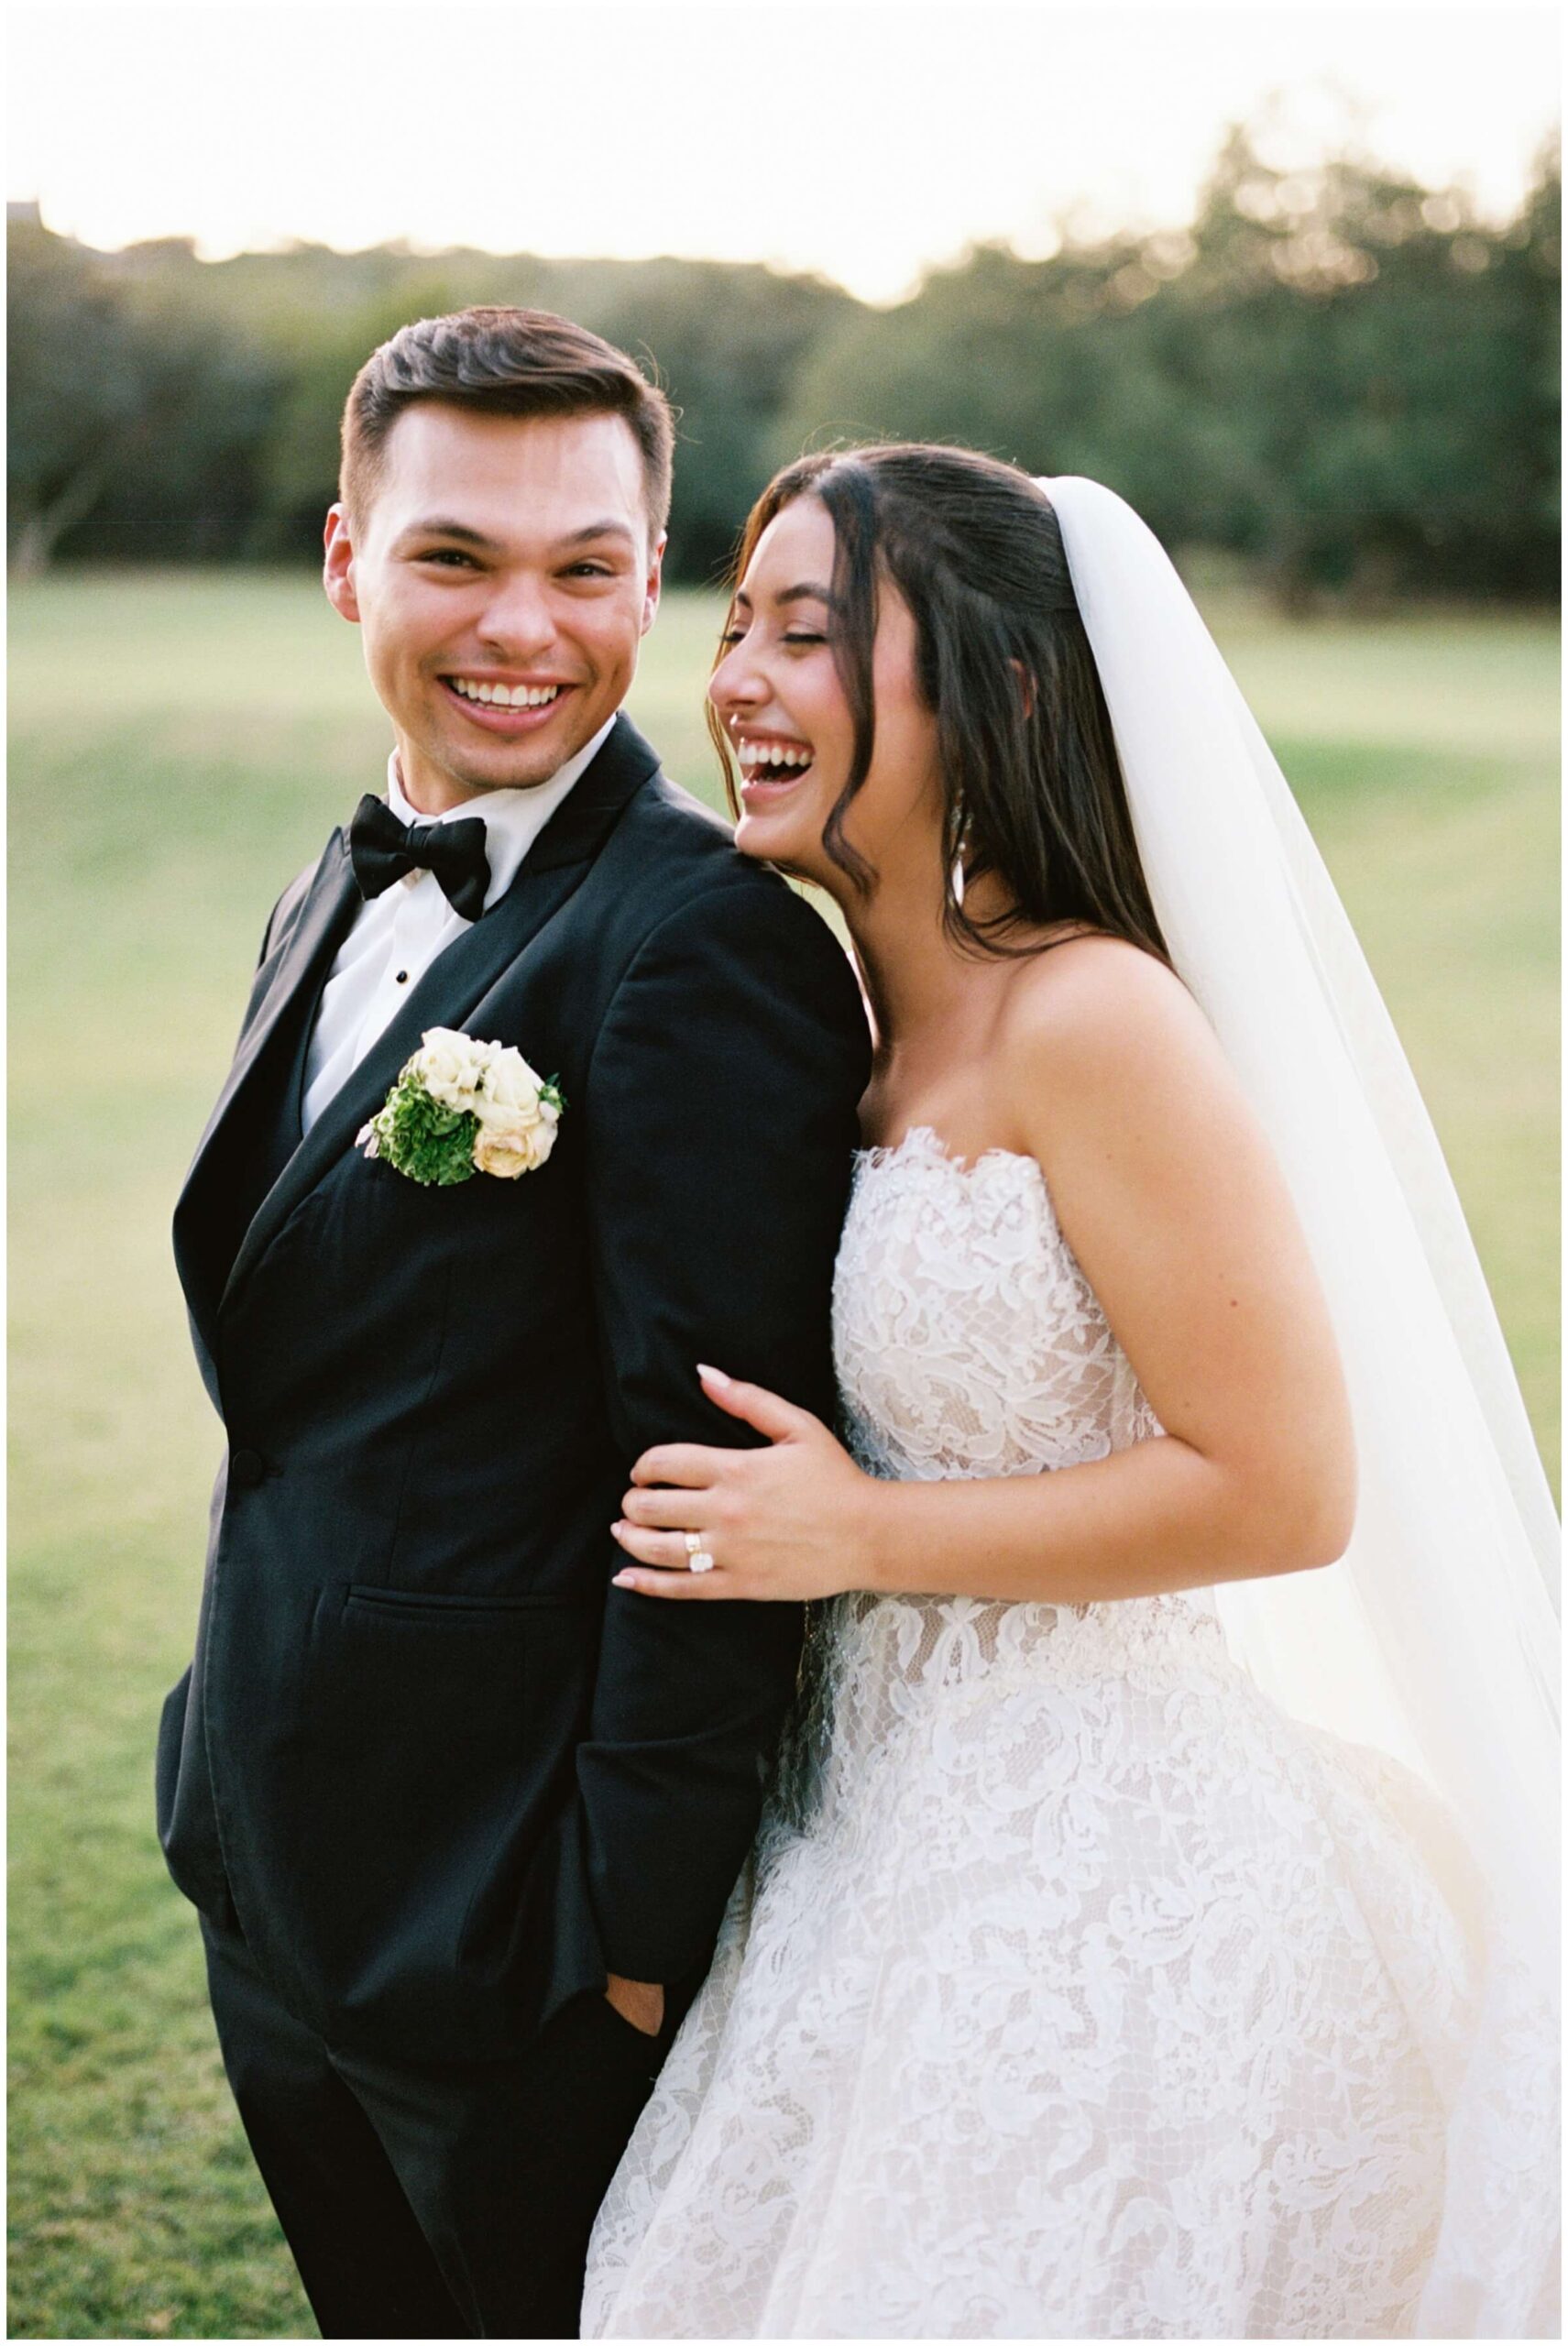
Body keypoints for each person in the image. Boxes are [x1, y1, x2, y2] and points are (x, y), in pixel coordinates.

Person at [583, 447, 1560, 2339]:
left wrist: (861, 1532)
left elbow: (1284, 1487)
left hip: (1090, 1861)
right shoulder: (859, 1024)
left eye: (808, 634)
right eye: (733, 627)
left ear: (1005, 689)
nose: (738, 683)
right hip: (863, 1816)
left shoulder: (1091, 1016)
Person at [155, 309, 870, 2340]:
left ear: (652, 583)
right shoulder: (335, 879)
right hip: (269, 1857)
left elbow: (716, 1486)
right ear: (346, 561)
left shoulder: (703, 943)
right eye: (455, 556)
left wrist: (621, 1961)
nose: (523, 630)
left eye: (585, 568)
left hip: (509, 1940)